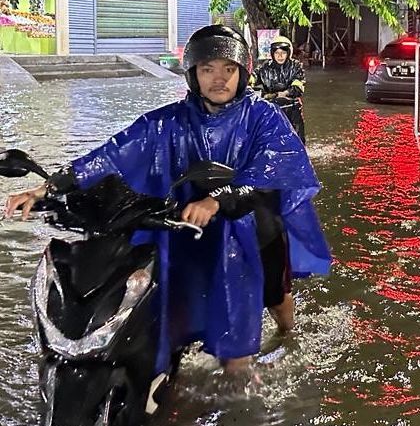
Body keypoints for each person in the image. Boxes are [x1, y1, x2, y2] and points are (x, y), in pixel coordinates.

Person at [5, 25, 330, 377]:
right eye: (208, 70)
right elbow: (113, 154)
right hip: (186, 226)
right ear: (193, 75)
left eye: (228, 70)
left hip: (254, 229)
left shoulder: (264, 116)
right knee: (175, 299)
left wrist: (218, 200)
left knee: (269, 302)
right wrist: (50, 186)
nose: (218, 79)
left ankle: (285, 335)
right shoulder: (168, 121)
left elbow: (272, 171)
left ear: (242, 73)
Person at [251, 36, 306, 142]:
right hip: (271, 109)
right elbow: (253, 77)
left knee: (296, 141)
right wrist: (246, 82)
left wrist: (281, 94)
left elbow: (298, 88)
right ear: (272, 54)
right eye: (277, 53)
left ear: (288, 53)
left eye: (283, 53)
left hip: (292, 110)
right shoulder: (265, 68)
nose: (280, 56)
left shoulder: (296, 66)